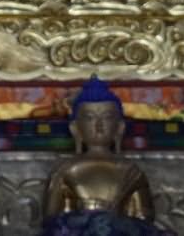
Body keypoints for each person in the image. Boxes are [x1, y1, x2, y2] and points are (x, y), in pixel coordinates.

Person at [43, 78, 156, 221]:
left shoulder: (132, 172)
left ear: (120, 128)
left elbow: (143, 221)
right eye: (90, 118)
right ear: (75, 128)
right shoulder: (64, 172)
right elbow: (56, 224)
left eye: (107, 118)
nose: (98, 125)